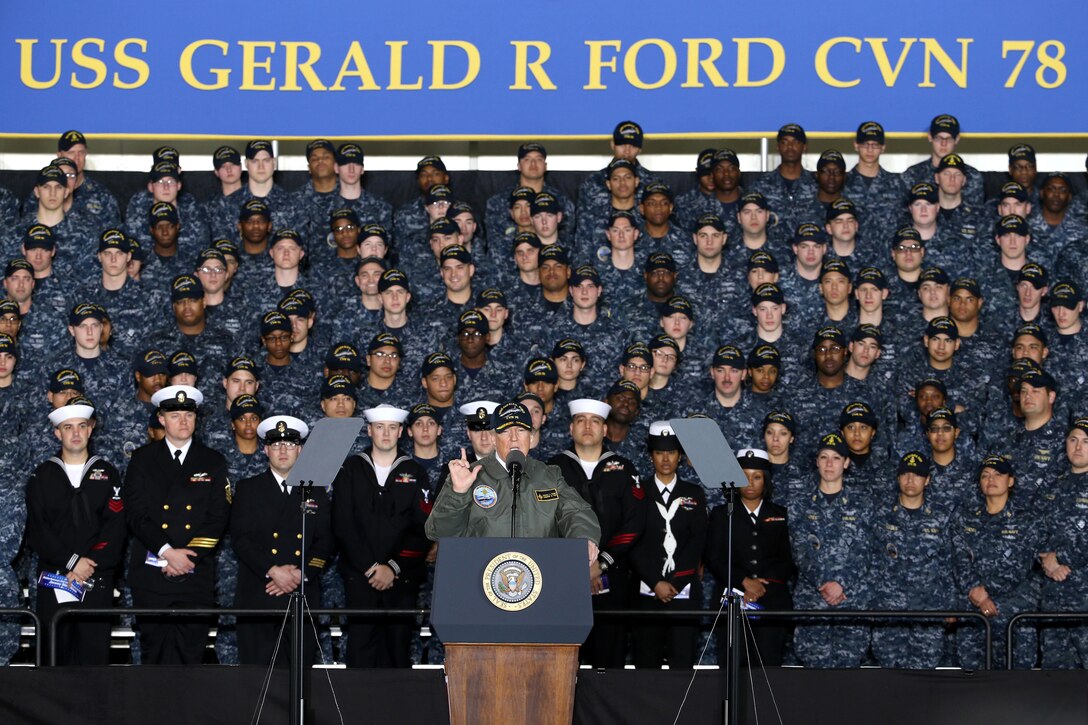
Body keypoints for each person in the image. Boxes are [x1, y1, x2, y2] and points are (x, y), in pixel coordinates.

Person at [125, 385, 230, 664]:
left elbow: (218, 517)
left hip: (195, 572)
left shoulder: (213, 461)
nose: (183, 421)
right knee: (153, 654)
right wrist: (167, 552)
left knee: (192, 654)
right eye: (175, 415)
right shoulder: (142, 459)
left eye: (188, 414)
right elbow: (136, 513)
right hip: (152, 572)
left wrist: (186, 558)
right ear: (161, 419)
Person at [25, 397, 125, 666]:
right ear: (57, 432)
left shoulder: (107, 472)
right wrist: (72, 562)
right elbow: (38, 530)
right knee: (54, 660)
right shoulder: (42, 475)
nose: (76, 433)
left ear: (91, 429)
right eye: (68, 427)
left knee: (94, 660)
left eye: (82, 426)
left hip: (96, 580)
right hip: (55, 581)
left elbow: (115, 528)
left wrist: (88, 565)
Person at [425, 401, 601, 552]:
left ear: (531, 437)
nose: (514, 439)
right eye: (506, 431)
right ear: (493, 438)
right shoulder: (470, 475)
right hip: (481, 576)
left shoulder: (549, 475)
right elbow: (439, 533)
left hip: (539, 575)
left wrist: (584, 538)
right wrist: (458, 493)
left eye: (521, 430)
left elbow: (576, 512)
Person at [548, 398, 645, 667]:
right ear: (570, 428)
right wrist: (576, 564)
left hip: (612, 576)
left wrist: (600, 564)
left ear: (605, 429)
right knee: (565, 657)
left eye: (595, 421)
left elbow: (634, 523)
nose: (587, 426)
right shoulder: (552, 468)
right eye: (581, 420)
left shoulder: (624, 469)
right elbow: (544, 521)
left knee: (609, 656)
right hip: (563, 576)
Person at [332, 404, 430, 668]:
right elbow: (342, 524)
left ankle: (396, 711)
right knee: (360, 651)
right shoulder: (350, 470)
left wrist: (393, 567)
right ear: (369, 431)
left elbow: (423, 529)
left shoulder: (416, 472)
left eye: (392, 428)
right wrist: (371, 567)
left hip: (402, 580)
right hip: (359, 578)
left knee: (397, 653)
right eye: (379, 427)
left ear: (401, 432)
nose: (385, 433)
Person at [230, 415, 332, 667]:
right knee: (257, 680)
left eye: (289, 444)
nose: (283, 450)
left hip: (301, 595)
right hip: (259, 595)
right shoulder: (248, 488)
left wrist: (299, 574)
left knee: (298, 680)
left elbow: (326, 541)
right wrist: (273, 571)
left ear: (300, 449)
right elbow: (241, 539)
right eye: (276, 445)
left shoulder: (316, 490)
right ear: (265, 449)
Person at [628, 421, 707, 669]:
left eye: (671, 452)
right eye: (659, 452)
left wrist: (675, 583)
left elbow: (698, 541)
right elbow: (633, 541)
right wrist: (655, 582)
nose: (665, 458)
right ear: (651, 455)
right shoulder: (637, 491)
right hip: (646, 591)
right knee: (646, 663)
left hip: (683, 591)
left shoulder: (694, 493)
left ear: (680, 456)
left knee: (682, 663)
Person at [951, 454, 1041, 670]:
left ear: (1010, 481)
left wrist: (985, 595)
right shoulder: (965, 517)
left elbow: (1020, 564)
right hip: (974, 613)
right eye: (985, 475)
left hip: (1015, 614)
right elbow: (959, 557)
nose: (991, 479)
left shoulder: (1027, 520)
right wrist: (975, 591)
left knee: (1018, 686)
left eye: (998, 474)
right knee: (972, 683)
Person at [705, 448, 793, 667]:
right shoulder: (722, 514)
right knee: (732, 667)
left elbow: (788, 559)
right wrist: (744, 582)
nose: (750, 483)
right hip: (732, 601)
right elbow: (713, 557)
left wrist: (762, 586)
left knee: (768, 666)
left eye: (757, 477)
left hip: (771, 601)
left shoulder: (781, 514)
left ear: (766, 481)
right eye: (744, 476)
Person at [869, 452, 955, 669]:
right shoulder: (880, 513)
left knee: (925, 680)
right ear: (897, 478)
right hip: (889, 608)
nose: (910, 480)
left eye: (917, 475)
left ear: (927, 480)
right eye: (905, 474)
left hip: (929, 609)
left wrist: (951, 604)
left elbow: (951, 563)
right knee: (889, 678)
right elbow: (868, 559)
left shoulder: (943, 516)